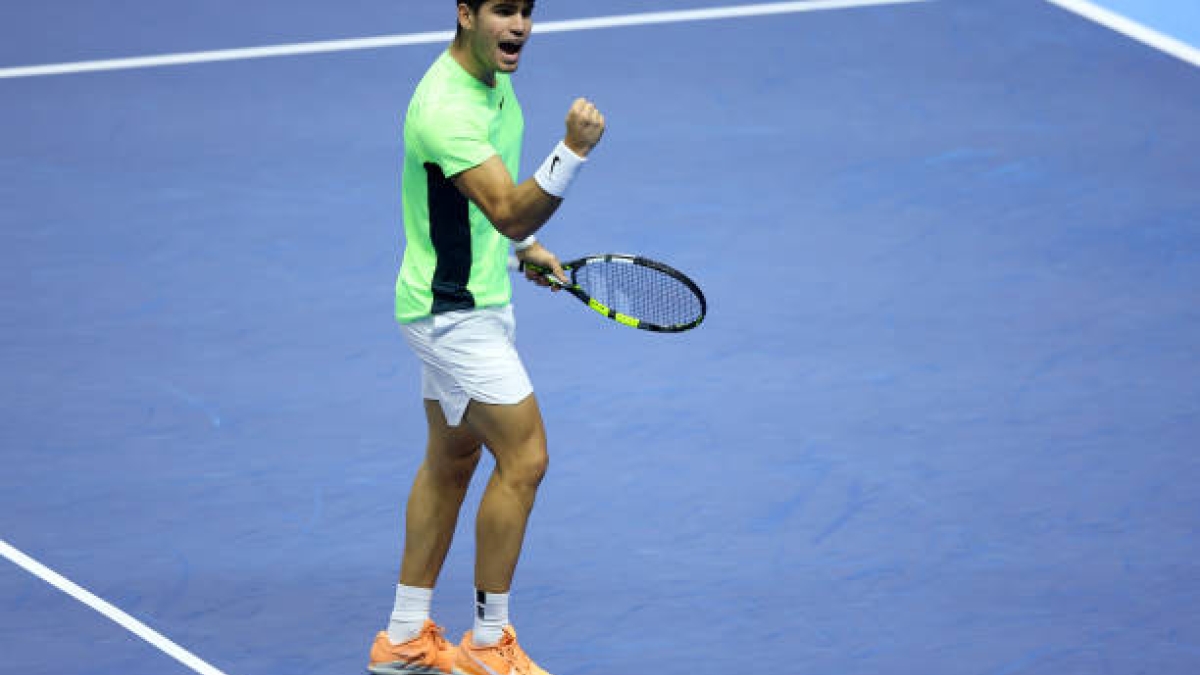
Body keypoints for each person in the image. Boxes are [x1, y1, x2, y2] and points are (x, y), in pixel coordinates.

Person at [367, 1, 605, 674]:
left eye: (527, 11)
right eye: (503, 10)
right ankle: (488, 645)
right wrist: (572, 152)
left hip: (467, 300)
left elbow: (491, 206)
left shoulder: (490, 81)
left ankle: (403, 639)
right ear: (466, 13)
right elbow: (506, 209)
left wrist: (524, 249)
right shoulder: (447, 108)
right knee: (525, 457)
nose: (519, 25)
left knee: (453, 457)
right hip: (453, 316)